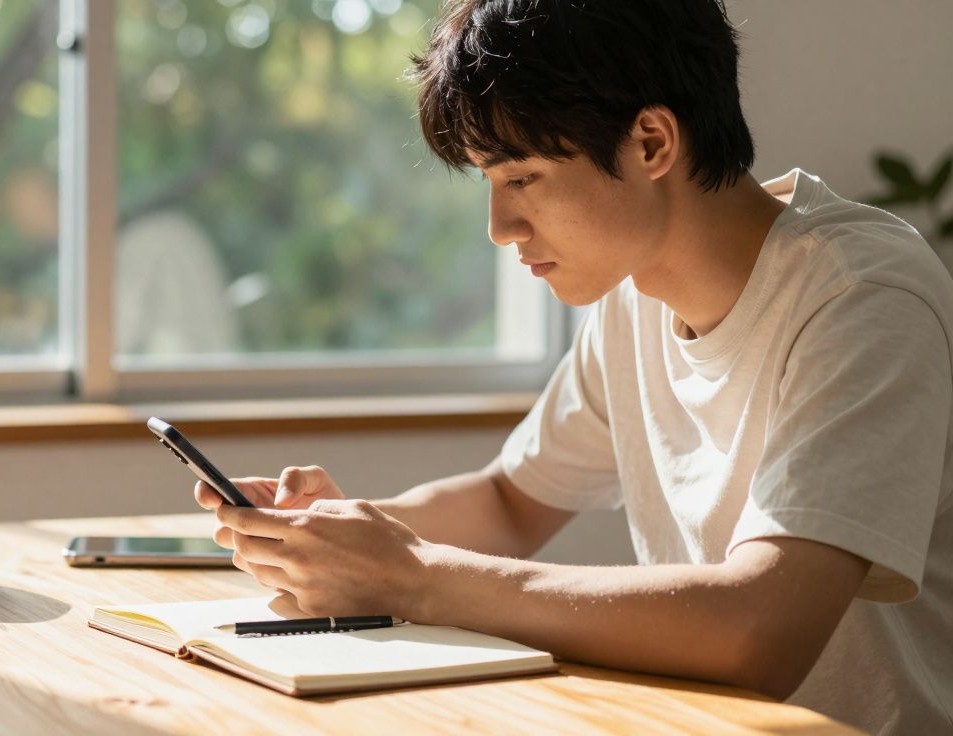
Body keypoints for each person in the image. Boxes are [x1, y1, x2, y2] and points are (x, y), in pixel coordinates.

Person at [195, 1, 953, 733]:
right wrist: (341, 535)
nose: (499, 228)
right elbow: (509, 503)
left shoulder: (862, 294)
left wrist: (415, 576)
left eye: (520, 178)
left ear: (652, 143)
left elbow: (760, 629)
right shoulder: (635, 296)